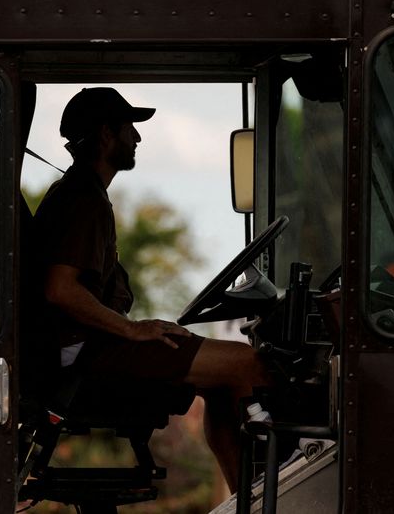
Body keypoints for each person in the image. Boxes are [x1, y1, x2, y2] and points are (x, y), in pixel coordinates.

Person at [30, 87, 270, 492]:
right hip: (86, 356)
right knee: (249, 364)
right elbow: (59, 289)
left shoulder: (79, 194)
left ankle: (246, 498)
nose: (137, 139)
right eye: (130, 130)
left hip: (86, 350)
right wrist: (131, 329)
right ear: (107, 134)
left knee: (218, 381)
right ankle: (273, 496)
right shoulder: (82, 200)